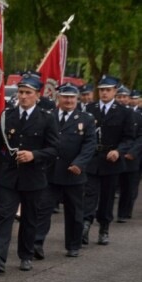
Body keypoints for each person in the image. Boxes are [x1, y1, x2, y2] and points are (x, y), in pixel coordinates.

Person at [0, 74, 59, 273]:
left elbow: (55, 149)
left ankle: (26, 255)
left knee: (29, 218)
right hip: (9, 175)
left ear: (37, 96)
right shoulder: (7, 115)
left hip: (34, 176)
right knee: (4, 215)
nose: (23, 96)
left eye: (28, 93)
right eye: (21, 92)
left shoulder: (47, 118)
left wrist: (35, 155)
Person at [34, 83, 96, 259]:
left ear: (77, 99)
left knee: (74, 212)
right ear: (58, 98)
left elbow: (89, 145)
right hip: (49, 172)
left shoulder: (86, 119)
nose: (68, 100)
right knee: (43, 209)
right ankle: (36, 243)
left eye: (72, 97)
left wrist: (79, 163)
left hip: (73, 173)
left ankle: (73, 244)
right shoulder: (48, 116)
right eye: (65, 96)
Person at [82, 75, 135, 245]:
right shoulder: (90, 109)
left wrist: (119, 151)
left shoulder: (124, 112)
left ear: (115, 91)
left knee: (107, 196)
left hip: (111, 160)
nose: (104, 93)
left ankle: (104, 227)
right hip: (92, 159)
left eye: (108, 90)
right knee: (89, 194)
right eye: (102, 90)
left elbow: (129, 138)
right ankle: (85, 224)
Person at [116, 87, 142, 223]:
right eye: (119, 97)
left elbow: (140, 137)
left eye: (124, 97)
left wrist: (132, 152)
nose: (122, 99)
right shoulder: (111, 114)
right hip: (113, 155)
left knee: (128, 187)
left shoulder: (137, 116)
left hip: (130, 156)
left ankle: (123, 213)